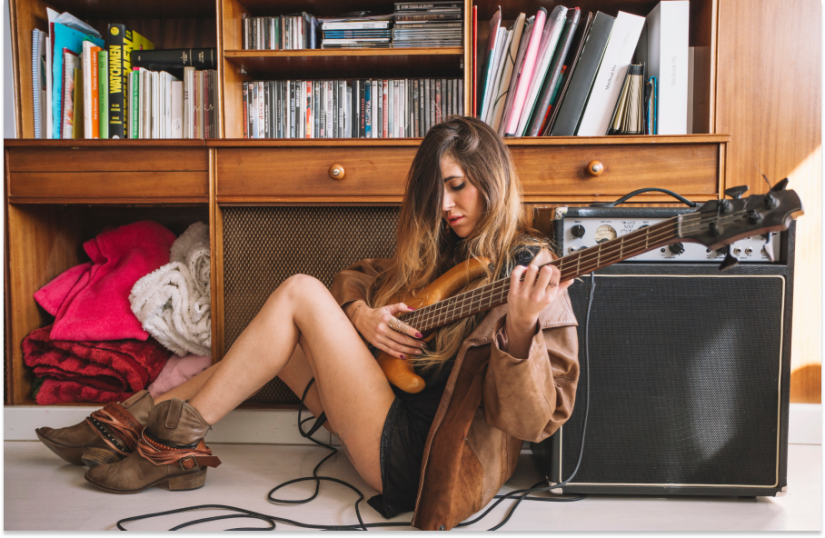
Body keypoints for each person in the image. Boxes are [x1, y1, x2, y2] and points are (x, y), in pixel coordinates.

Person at [34, 116, 579, 531]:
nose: (444, 204)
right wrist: (360, 316)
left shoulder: (532, 269)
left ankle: (169, 446)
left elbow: (533, 422)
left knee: (299, 292)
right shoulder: (441, 247)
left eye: (457, 185)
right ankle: (131, 423)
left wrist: (524, 332)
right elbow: (359, 277)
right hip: (386, 411)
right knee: (270, 344)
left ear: (492, 180)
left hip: (424, 457)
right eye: (434, 191)